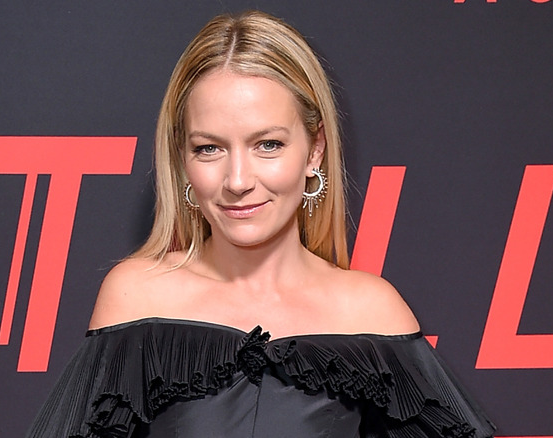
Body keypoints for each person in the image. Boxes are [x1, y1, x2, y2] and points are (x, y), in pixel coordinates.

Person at [26, 10, 495, 438]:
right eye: (209, 148)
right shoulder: (137, 298)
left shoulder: (371, 312)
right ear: (183, 159)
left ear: (314, 151)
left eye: (267, 144)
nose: (237, 180)